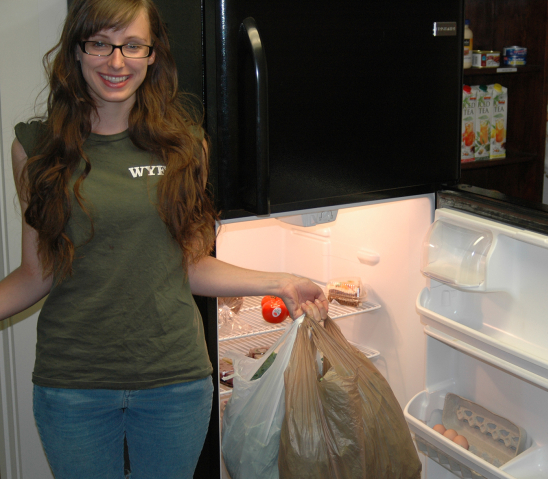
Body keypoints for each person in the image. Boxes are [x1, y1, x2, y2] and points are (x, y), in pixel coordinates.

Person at [0, 0, 328, 477]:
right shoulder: (35, 149)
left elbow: (191, 263)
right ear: (77, 49)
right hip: (73, 384)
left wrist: (281, 281)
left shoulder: (185, 143)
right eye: (101, 44)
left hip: (174, 382)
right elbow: (37, 274)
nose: (117, 62)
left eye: (133, 45)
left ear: (152, 55)